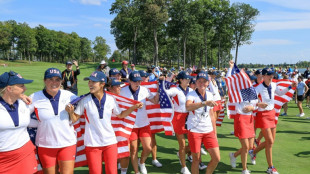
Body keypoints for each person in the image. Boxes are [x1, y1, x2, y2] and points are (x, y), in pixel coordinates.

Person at [66, 71, 142, 174]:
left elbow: (120, 115)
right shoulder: (85, 100)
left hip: (110, 142)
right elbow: (75, 119)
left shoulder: (111, 99)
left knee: (112, 171)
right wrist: (71, 113)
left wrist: (134, 107)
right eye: (89, 82)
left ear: (102, 84)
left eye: (94, 82)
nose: (90, 84)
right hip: (92, 144)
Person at [30, 68, 78, 174]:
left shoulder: (69, 95)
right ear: (44, 80)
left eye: (57, 79)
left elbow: (86, 106)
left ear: (61, 81)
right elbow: (21, 116)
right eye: (50, 79)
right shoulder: (34, 97)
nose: (54, 82)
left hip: (67, 143)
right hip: (45, 145)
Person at [251, 68, 296, 174]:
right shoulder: (258, 88)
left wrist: (290, 86)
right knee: (270, 141)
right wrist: (258, 104)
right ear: (264, 76)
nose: (272, 76)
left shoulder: (274, 85)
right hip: (262, 115)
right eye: (269, 75)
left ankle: (253, 152)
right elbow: (250, 101)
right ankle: (270, 167)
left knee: (270, 142)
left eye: (272, 75)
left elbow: (280, 93)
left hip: (272, 114)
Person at [120, 71, 159, 174]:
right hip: (130, 125)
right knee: (134, 149)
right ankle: (137, 171)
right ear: (130, 81)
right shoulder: (122, 91)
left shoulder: (145, 90)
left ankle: (141, 162)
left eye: (139, 81)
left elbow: (155, 101)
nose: (138, 84)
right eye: (135, 82)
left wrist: (159, 91)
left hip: (144, 123)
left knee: (148, 148)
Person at [0, 71, 37, 174]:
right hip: (4, 159)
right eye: (21, 86)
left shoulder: (24, 104)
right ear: (9, 89)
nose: (25, 88)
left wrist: (21, 96)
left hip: (26, 153)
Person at [185, 71, 220, 174]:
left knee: (216, 158)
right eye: (199, 81)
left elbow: (212, 115)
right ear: (196, 82)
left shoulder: (209, 94)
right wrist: (204, 103)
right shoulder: (191, 94)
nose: (202, 84)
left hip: (208, 129)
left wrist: (215, 132)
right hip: (195, 130)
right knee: (196, 159)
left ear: (207, 83)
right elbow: (188, 107)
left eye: (204, 81)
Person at [106, 78, 143, 174]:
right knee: (111, 155)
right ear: (109, 87)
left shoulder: (122, 97)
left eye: (119, 85)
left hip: (122, 129)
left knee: (124, 153)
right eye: (117, 86)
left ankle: (123, 172)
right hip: (108, 130)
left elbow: (121, 115)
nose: (119, 87)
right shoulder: (105, 97)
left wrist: (134, 106)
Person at [227, 62, 257, 174]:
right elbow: (229, 80)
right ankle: (244, 169)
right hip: (240, 118)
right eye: (251, 79)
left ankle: (233, 155)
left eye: (252, 80)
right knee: (245, 146)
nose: (252, 81)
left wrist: (252, 107)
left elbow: (255, 104)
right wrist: (230, 68)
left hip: (249, 119)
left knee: (249, 146)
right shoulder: (237, 89)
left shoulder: (252, 90)